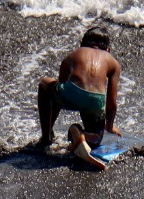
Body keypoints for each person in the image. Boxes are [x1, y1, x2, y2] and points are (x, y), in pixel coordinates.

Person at [39, 27, 121, 170]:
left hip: (72, 94)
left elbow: (61, 85)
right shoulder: (113, 62)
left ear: (81, 43)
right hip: (96, 102)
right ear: (109, 49)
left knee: (45, 85)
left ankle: (47, 137)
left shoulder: (73, 55)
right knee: (97, 138)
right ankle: (87, 136)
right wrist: (108, 126)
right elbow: (112, 102)